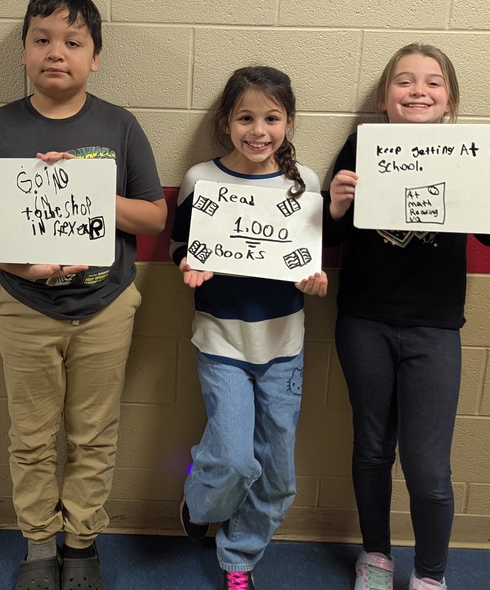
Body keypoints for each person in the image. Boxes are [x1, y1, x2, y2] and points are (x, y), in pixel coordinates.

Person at [0, 0, 167, 590]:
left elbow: (153, 217)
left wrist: (90, 189)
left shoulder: (118, 126)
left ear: (95, 57)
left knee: (93, 434)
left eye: (73, 42)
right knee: (32, 434)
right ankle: (39, 542)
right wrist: (16, 267)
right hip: (24, 308)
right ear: (22, 52)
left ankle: (82, 543)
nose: (56, 53)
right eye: (41, 40)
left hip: (106, 306)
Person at [324, 44, 490, 590]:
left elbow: (489, 232)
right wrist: (337, 207)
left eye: (433, 83)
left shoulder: (469, 151)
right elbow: (327, 237)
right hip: (365, 321)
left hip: (435, 328)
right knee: (372, 448)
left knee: (427, 468)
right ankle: (375, 557)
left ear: (449, 101)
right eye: (405, 81)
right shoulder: (359, 146)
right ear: (382, 97)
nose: (419, 90)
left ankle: (431, 575)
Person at [170, 66, 329, 590]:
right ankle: (198, 500)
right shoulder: (202, 179)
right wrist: (187, 267)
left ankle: (239, 558)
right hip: (221, 341)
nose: (258, 131)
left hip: (283, 347)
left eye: (271, 118)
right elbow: (181, 246)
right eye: (245, 118)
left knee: (278, 474)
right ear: (225, 122)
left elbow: (309, 257)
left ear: (288, 121)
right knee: (235, 459)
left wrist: (314, 281)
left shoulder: (304, 184)